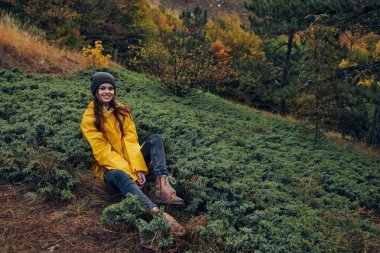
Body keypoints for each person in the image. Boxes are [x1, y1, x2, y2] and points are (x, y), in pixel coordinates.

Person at [80, 71, 186, 236]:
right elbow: (103, 153)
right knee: (122, 176)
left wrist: (138, 167)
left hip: (131, 162)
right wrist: (131, 172)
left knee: (155, 139)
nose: (107, 92)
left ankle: (161, 188)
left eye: (110, 88)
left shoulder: (122, 111)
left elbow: (131, 140)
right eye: (102, 88)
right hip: (109, 168)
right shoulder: (89, 119)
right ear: (95, 91)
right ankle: (157, 213)